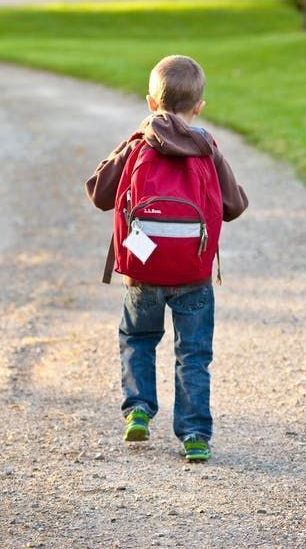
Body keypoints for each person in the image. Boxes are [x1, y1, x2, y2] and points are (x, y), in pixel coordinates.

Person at [85, 55, 248, 461]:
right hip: (193, 272)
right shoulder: (206, 146)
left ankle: (138, 409)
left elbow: (99, 193)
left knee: (138, 338)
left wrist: (131, 141)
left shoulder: (140, 143)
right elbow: (234, 206)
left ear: (150, 103)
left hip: (143, 271)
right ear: (199, 107)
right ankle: (194, 435)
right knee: (193, 354)